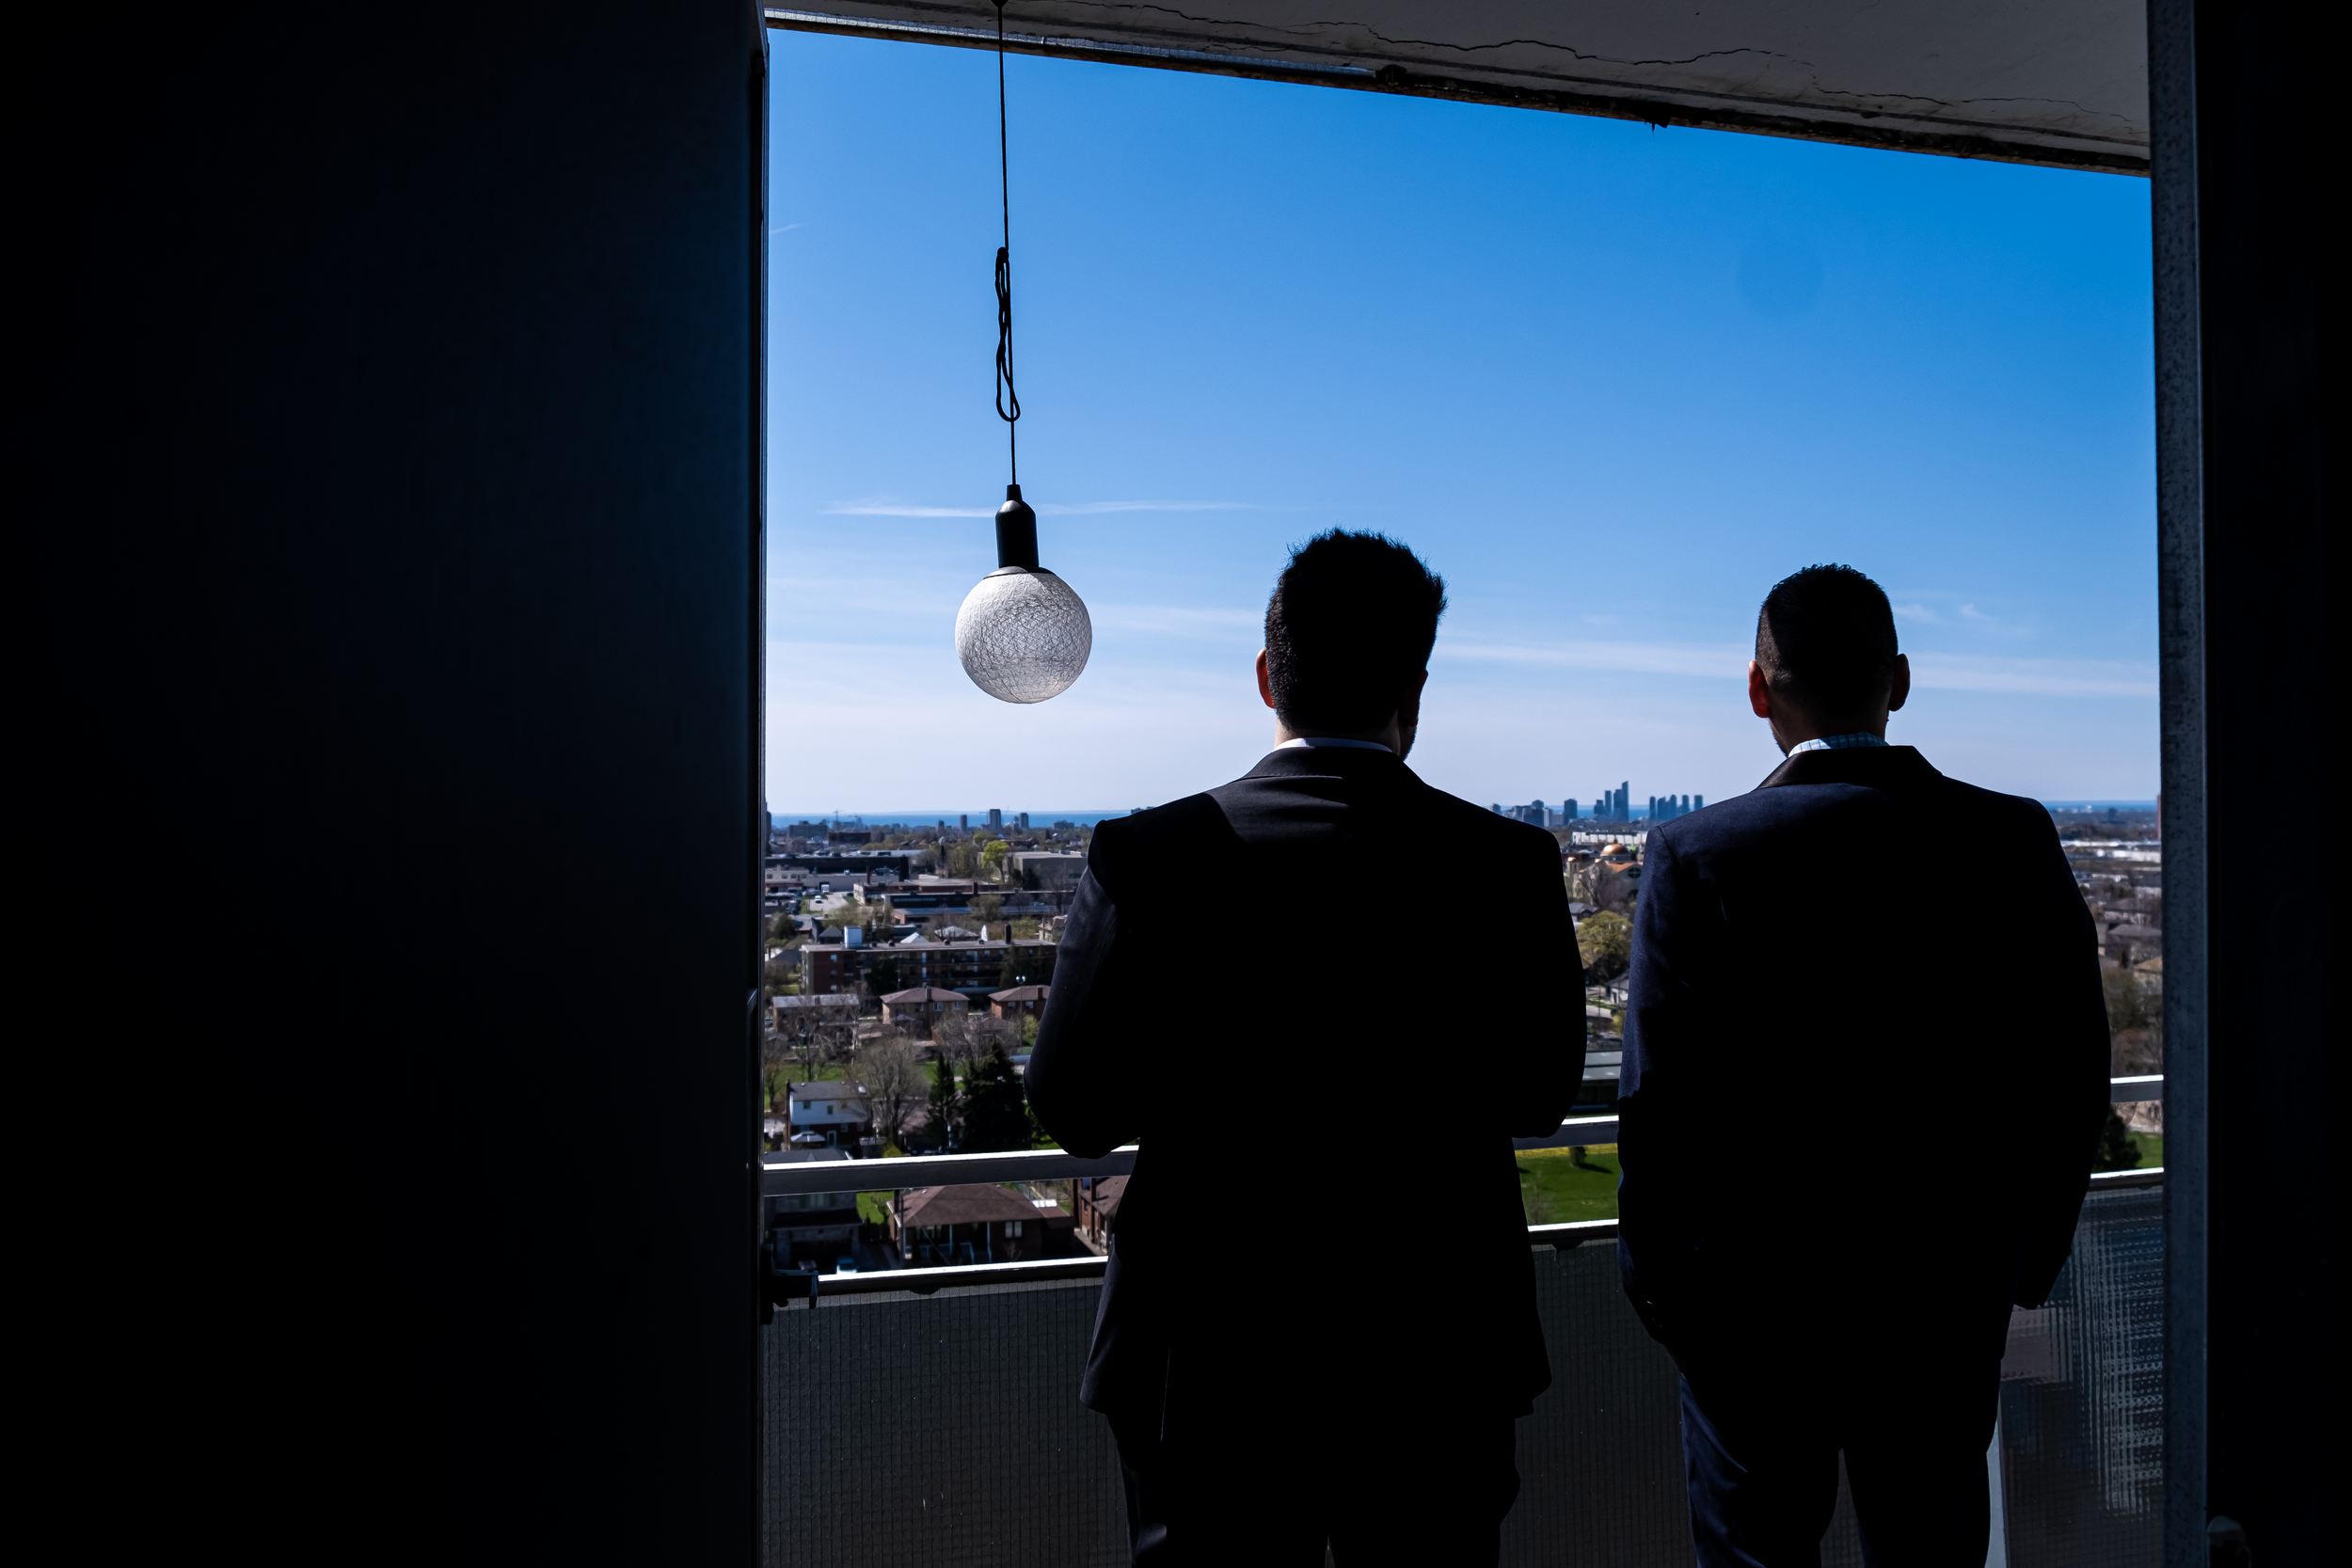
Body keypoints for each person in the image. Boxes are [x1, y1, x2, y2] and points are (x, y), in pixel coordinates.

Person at [1028, 531, 1586, 1566]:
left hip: (1203, 1360)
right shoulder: (1502, 865)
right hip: (1439, 1351)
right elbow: (1544, 1091)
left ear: (1264, 676)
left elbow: (1075, 1106)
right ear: (1413, 691)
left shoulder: (1149, 856)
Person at [1616, 564, 2111, 1567]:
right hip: (1942, 1302)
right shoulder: (2009, 836)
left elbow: (1658, 1108)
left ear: (1758, 689)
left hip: (1750, 1321)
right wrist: (2023, 1261)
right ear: (1899, 679)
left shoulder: (1696, 854)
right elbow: (2071, 1070)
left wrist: (1667, 1302)